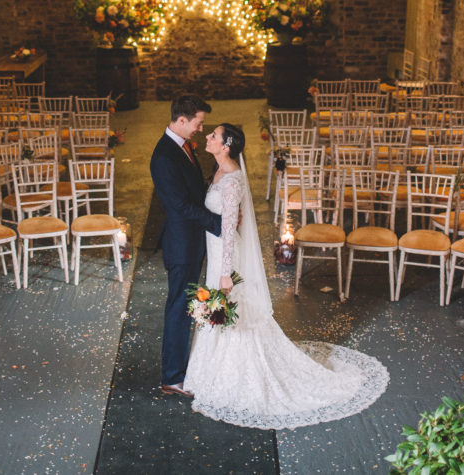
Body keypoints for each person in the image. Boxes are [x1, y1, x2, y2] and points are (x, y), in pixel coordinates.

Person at [182, 123, 389, 429]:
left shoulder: (232, 181)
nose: (207, 137)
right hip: (214, 252)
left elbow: (228, 230)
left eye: (213, 135)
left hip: (225, 255)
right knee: (219, 313)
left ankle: (236, 375)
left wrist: (226, 273)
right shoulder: (218, 171)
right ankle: (210, 371)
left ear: (225, 146)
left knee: (229, 311)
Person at [149, 95, 222, 398]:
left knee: (186, 305)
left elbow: (191, 191)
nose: (200, 129)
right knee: (179, 308)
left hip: (192, 240)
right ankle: (173, 378)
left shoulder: (181, 147)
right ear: (181, 120)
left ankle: (180, 370)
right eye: (198, 123)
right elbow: (179, 205)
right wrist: (219, 223)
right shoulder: (164, 156)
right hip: (181, 244)